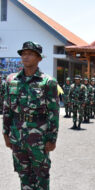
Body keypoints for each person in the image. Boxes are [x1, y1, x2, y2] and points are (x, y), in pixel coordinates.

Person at [2, 41, 59, 190]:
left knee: (41, 176)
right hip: (17, 136)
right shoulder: (11, 80)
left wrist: (52, 138)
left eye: (30, 54)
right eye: (24, 54)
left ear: (39, 58)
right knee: (23, 175)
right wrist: (5, 133)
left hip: (39, 138)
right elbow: (7, 109)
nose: (26, 57)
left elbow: (53, 112)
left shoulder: (48, 82)